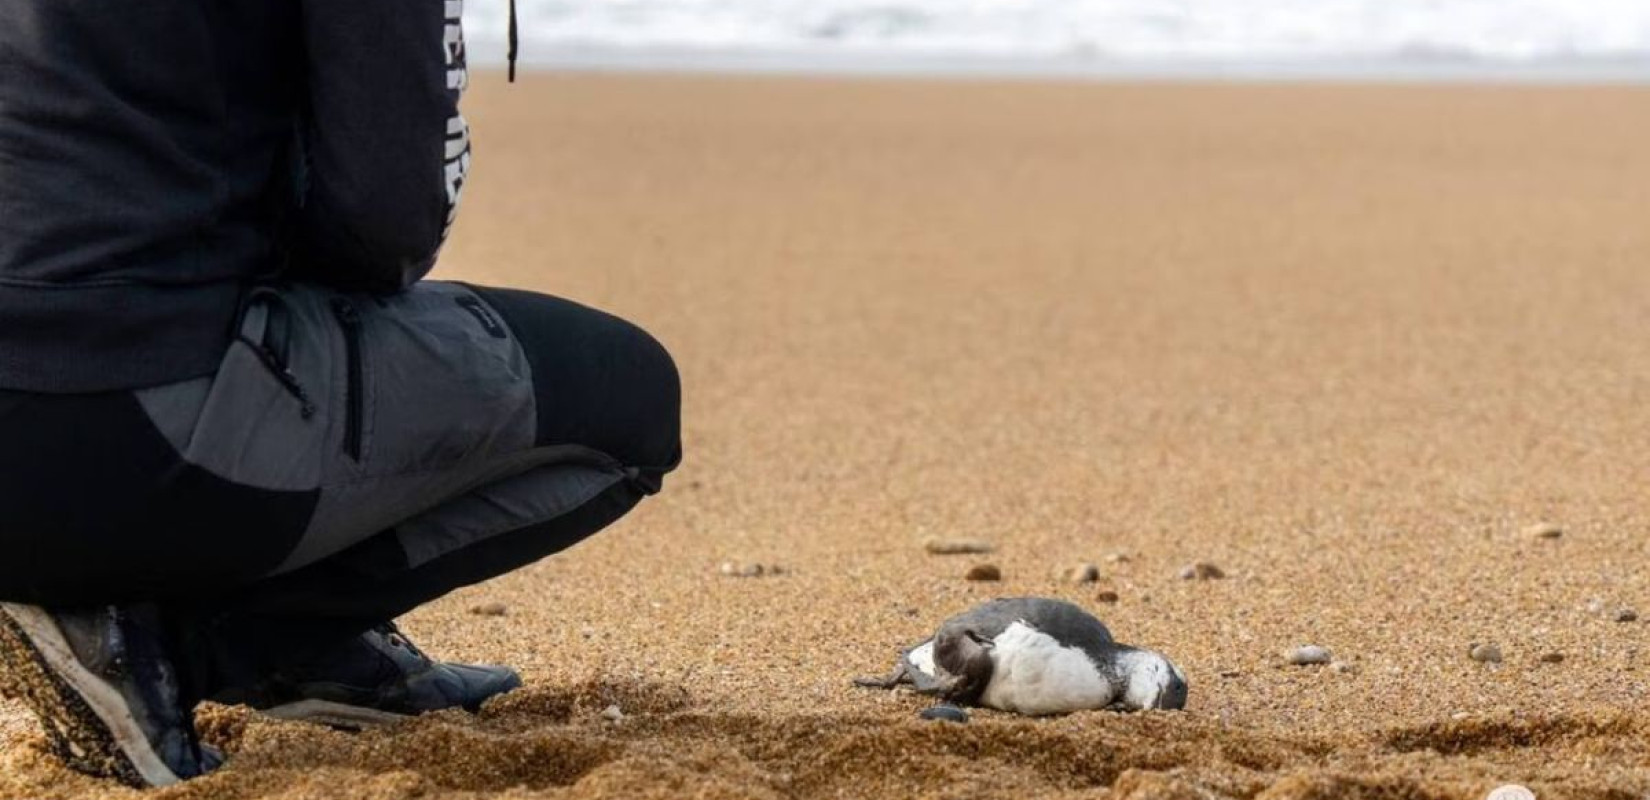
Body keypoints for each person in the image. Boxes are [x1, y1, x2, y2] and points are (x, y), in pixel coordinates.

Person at [0, 0, 680, 788]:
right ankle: (176, 644)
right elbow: (381, 224)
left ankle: (309, 646)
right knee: (625, 402)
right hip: (122, 415)